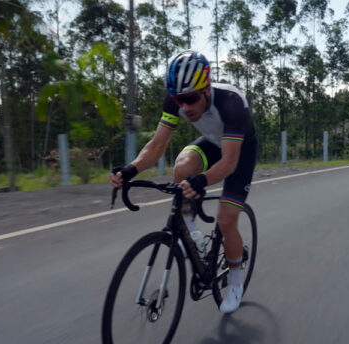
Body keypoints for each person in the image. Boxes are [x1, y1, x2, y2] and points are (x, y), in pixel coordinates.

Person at [110, 50, 258, 313]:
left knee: (225, 221)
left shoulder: (231, 103)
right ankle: (192, 231)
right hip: (213, 143)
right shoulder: (175, 101)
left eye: (190, 99)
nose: (185, 107)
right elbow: (157, 146)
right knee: (181, 166)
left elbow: (229, 163)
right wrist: (131, 170)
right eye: (180, 100)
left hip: (239, 151)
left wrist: (202, 180)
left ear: (206, 88)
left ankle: (235, 282)